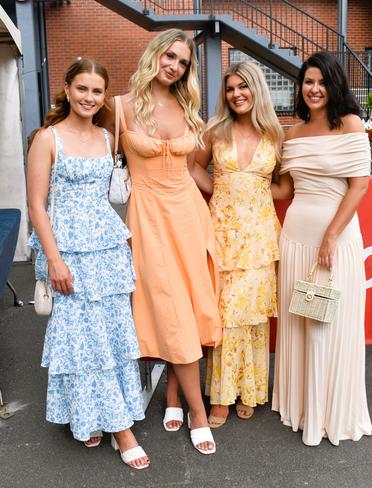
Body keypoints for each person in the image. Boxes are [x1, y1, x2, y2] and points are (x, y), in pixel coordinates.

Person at [27, 58, 149, 469]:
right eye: (82, 89)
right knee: (81, 337)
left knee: (111, 333)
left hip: (109, 249)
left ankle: (104, 416)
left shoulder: (107, 137)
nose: (89, 97)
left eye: (97, 91)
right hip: (68, 250)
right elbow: (36, 205)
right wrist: (54, 259)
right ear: (66, 88)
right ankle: (117, 426)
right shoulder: (47, 139)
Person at [109, 29, 222, 454]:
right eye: (169, 56)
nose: (174, 66)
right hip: (149, 220)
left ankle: (177, 400)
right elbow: (89, 156)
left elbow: (195, 171)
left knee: (188, 309)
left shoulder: (189, 110)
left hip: (190, 217)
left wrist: (231, 197)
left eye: (183, 62)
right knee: (169, 308)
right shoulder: (118, 107)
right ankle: (196, 410)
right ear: (154, 55)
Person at [270, 51, 372, 446]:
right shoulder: (291, 134)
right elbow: (285, 188)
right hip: (295, 238)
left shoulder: (350, 124)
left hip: (336, 241)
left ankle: (330, 410)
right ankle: (301, 405)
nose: (314, 89)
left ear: (334, 86)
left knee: (327, 324)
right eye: (308, 82)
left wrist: (330, 236)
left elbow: (360, 185)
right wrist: (239, 184)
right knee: (301, 322)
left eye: (321, 82)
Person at [191, 61, 283, 427]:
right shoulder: (214, 131)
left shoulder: (276, 133)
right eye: (230, 88)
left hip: (261, 237)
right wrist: (222, 189)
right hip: (223, 236)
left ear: (256, 88)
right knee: (226, 314)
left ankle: (251, 390)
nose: (236, 94)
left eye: (243, 86)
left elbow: (285, 184)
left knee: (253, 317)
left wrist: (255, 193)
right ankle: (222, 395)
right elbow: (191, 168)